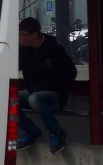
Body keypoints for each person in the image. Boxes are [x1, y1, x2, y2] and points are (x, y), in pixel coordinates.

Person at [17, 17, 77, 154]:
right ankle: (30, 130)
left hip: (54, 94)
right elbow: (15, 66)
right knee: (9, 99)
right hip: (33, 91)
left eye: (24, 35)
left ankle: (57, 133)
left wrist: (56, 86)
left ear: (34, 34)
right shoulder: (25, 51)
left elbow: (71, 72)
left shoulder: (55, 49)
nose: (21, 38)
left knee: (35, 99)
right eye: (19, 34)